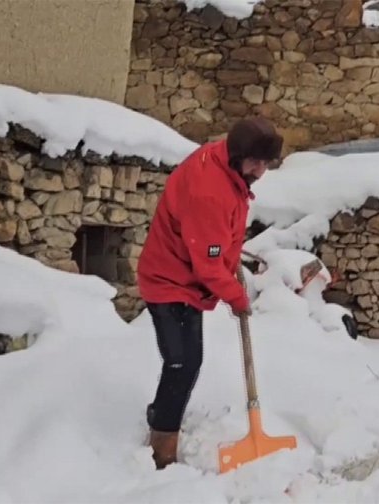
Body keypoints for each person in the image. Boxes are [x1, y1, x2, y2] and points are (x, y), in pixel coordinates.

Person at [136, 117, 284, 469]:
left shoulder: (227, 169)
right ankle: (162, 445)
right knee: (182, 362)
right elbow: (207, 263)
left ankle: (161, 414)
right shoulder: (209, 191)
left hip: (188, 279)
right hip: (168, 282)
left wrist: (229, 257)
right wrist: (237, 296)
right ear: (236, 156)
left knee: (188, 361)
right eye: (255, 162)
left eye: (266, 164)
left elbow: (216, 242)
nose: (260, 171)